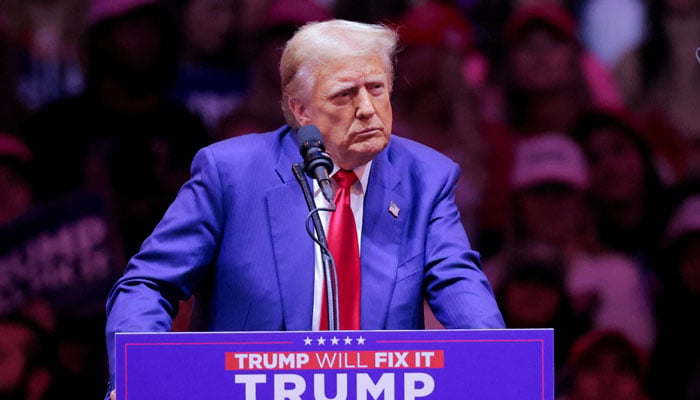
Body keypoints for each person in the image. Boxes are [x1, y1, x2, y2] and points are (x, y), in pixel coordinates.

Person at [104, 19, 505, 399]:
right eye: (345, 94)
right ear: (301, 111)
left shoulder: (426, 179)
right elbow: (148, 285)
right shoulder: (231, 175)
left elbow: (461, 288)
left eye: (377, 88)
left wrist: (501, 371)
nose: (366, 107)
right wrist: (138, 377)